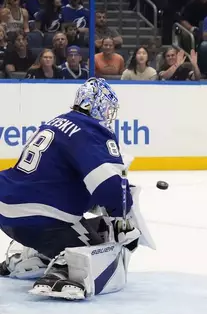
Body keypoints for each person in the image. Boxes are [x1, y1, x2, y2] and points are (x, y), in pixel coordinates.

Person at [0, 78, 145, 300]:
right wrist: (121, 216)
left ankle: (29, 259)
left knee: (78, 226)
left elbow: (58, 178)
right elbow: (109, 187)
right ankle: (64, 270)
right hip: (40, 217)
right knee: (104, 250)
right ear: (101, 106)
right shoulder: (91, 129)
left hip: (8, 208)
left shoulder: (57, 122)